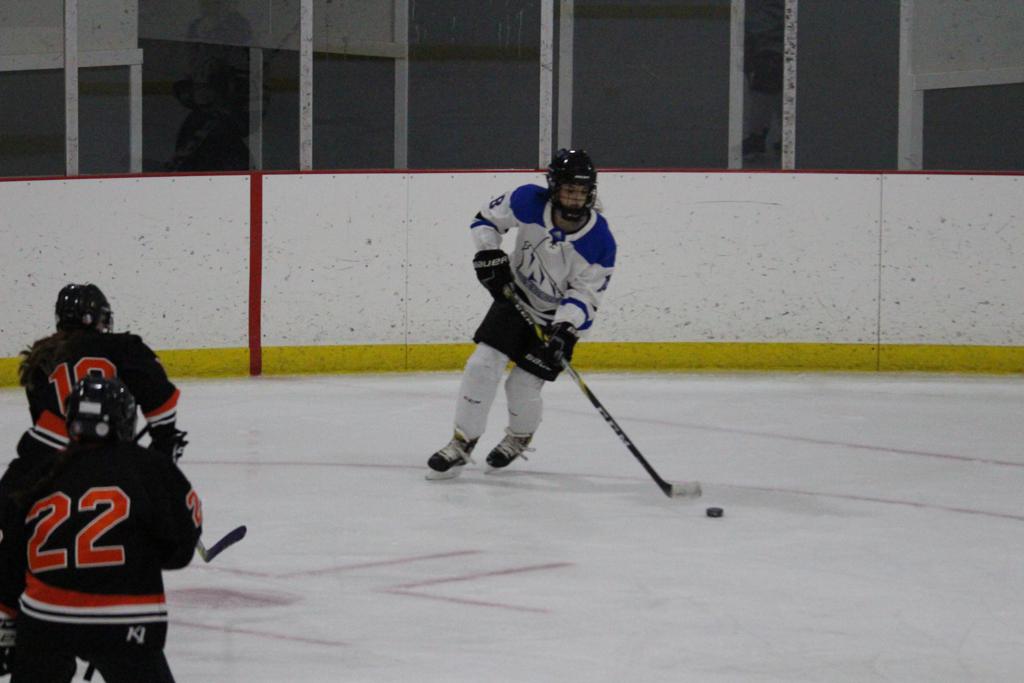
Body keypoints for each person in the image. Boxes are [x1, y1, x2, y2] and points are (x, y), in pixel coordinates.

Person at [426, 149, 616, 479]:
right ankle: (462, 442)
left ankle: (519, 436)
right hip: (515, 299)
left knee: (522, 387)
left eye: (582, 191)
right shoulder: (527, 200)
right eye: (568, 189)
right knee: (481, 366)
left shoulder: (601, 241)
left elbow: (586, 293)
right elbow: (486, 220)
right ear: (553, 187)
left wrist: (565, 329)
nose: (575, 198)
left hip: (555, 320)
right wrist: (489, 254)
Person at [0, 376, 202, 682]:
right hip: (125, 619)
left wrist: (6, 618)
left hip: (46, 620)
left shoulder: (43, 472)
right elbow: (181, 549)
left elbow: (12, 555)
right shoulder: (149, 467)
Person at [5, 283, 187, 494]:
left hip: (54, 464)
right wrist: (165, 439)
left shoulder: (40, 359)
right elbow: (161, 399)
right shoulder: (123, 346)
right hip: (111, 457)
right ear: (93, 318)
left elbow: (42, 421)